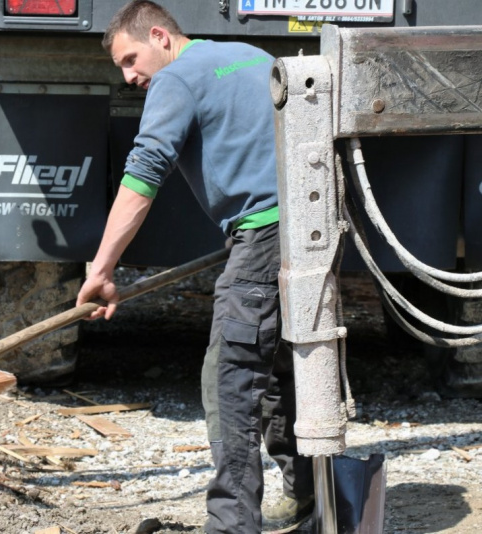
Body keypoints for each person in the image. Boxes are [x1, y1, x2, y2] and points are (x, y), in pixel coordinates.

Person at [75, 2, 314, 532]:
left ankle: (231, 524)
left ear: (160, 35)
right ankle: (308, 499)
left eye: (131, 58)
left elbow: (142, 177)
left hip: (263, 233)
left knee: (227, 377)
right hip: (311, 228)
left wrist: (102, 269)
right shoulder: (249, 55)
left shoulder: (176, 80)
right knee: (277, 366)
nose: (129, 75)